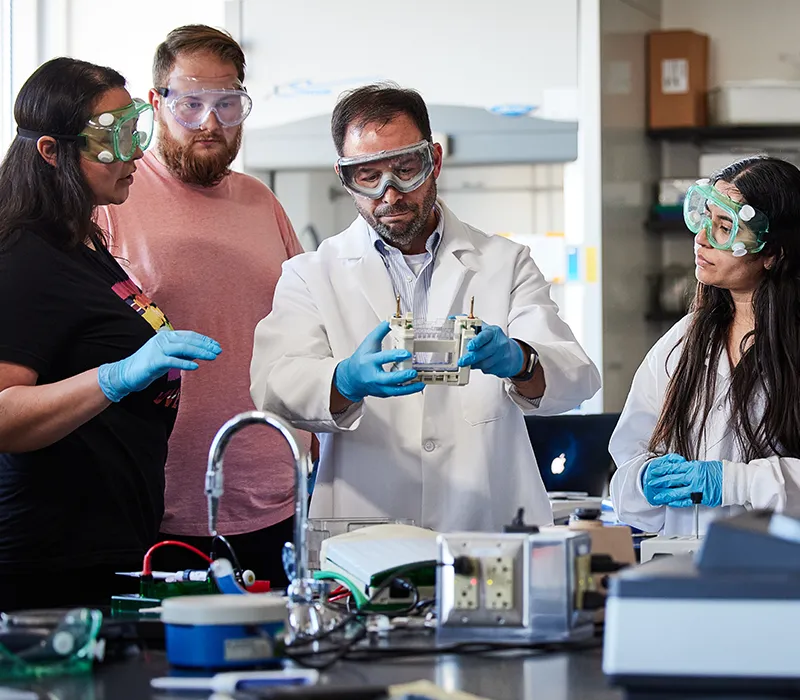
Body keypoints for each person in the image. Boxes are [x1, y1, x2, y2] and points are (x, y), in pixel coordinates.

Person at [250, 83, 600, 532]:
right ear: (344, 177)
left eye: (404, 169)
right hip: (364, 533)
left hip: (486, 527)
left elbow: (576, 375)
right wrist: (344, 379)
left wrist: (521, 360)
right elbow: (273, 387)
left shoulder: (505, 263)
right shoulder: (311, 275)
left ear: (434, 159)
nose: (390, 194)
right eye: (367, 176)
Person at [0, 57, 221, 611]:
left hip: (109, 542)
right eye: (114, 138)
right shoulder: (23, 256)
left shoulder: (84, 244)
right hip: (47, 562)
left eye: (135, 129)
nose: (135, 154)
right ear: (51, 151)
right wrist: (117, 376)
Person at [95, 25, 310, 587]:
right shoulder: (110, 198)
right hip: (159, 497)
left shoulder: (261, 201)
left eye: (228, 104)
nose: (210, 123)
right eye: (190, 103)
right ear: (155, 103)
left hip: (276, 490)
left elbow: (306, 327)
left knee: (281, 668)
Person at [610, 156, 800, 536]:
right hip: (688, 571)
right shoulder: (682, 342)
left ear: (773, 251)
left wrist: (736, 484)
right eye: (705, 219)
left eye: (725, 226)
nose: (701, 238)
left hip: (783, 577)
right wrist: (643, 480)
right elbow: (626, 467)